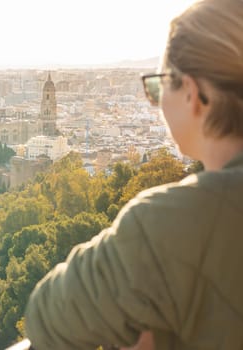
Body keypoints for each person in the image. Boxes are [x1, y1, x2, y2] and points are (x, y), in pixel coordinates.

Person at [24, 0, 243, 349]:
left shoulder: (170, 223)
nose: (154, 103)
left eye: (156, 87)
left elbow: (47, 317)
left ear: (191, 92)